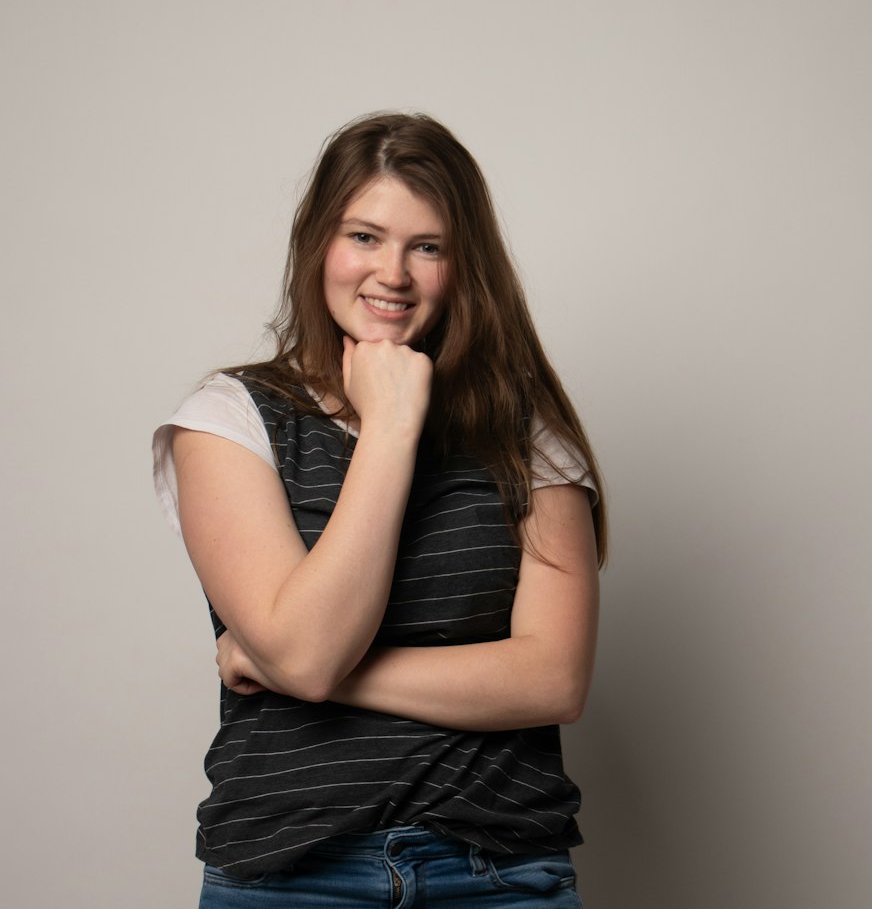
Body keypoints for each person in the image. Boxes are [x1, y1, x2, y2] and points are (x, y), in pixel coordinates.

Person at [153, 112, 607, 908]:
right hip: (291, 876)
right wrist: (392, 426)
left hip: (498, 874)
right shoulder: (229, 420)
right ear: (317, 244)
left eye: (426, 246)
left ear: (463, 264)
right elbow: (309, 651)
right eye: (364, 236)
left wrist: (293, 669)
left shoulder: (526, 430)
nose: (391, 272)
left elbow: (552, 677)